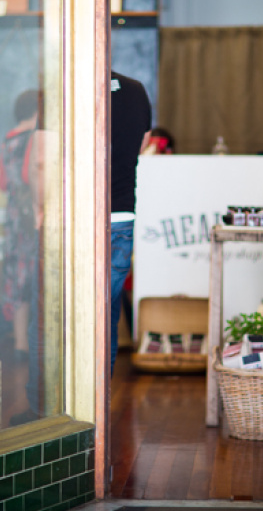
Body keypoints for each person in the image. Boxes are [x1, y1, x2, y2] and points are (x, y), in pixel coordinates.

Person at [109, 70, 152, 374]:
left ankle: (74, 397)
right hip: (122, 213)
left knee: (72, 313)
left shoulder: (69, 86)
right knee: (108, 312)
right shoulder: (135, 90)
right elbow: (143, 143)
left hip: (79, 215)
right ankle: (100, 396)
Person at [0, 90, 41, 359]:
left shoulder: (8, 139)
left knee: (17, 275)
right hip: (33, 213)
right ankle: (41, 343)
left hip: (14, 215)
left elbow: (3, 183)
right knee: (37, 274)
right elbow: (30, 174)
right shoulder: (35, 137)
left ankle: (20, 345)